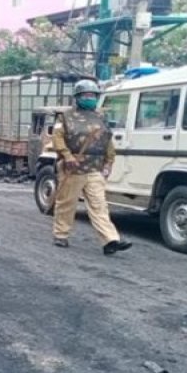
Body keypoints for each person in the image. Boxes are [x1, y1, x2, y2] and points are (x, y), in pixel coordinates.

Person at [52, 79, 133, 256]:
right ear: (78, 97)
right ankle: (61, 234)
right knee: (67, 203)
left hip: (95, 168)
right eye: (86, 95)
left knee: (99, 205)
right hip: (73, 168)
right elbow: (57, 138)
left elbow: (107, 142)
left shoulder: (100, 117)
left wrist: (109, 162)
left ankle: (110, 240)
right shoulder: (64, 117)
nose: (89, 98)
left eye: (92, 95)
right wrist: (67, 156)